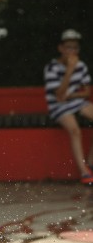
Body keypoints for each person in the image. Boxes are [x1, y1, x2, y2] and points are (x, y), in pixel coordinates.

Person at [44, 29, 93, 184]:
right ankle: (84, 172)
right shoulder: (52, 68)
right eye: (68, 47)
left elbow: (86, 92)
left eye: (75, 48)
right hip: (58, 106)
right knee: (75, 130)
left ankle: (91, 163)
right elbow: (59, 95)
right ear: (61, 48)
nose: (72, 51)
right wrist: (70, 70)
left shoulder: (81, 66)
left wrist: (71, 96)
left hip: (76, 102)